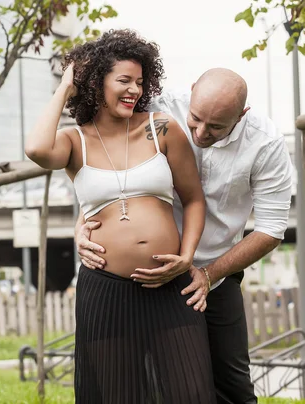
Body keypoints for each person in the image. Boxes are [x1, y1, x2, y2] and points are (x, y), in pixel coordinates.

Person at [76, 66, 294, 403]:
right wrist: (83, 222)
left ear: (242, 114)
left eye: (216, 126)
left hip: (215, 273)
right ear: (191, 91)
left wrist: (207, 275)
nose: (201, 132)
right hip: (139, 279)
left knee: (231, 387)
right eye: (196, 119)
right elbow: (108, 168)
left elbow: (271, 229)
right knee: (133, 386)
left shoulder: (265, 143)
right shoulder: (156, 112)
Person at [25, 29, 216, 404]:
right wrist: (66, 86)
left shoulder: (160, 127)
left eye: (140, 82)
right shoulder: (73, 141)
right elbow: (35, 149)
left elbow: (194, 199)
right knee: (117, 394)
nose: (134, 90)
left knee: (191, 391)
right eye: (123, 80)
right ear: (97, 82)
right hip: (105, 290)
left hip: (168, 284)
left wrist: (187, 257)